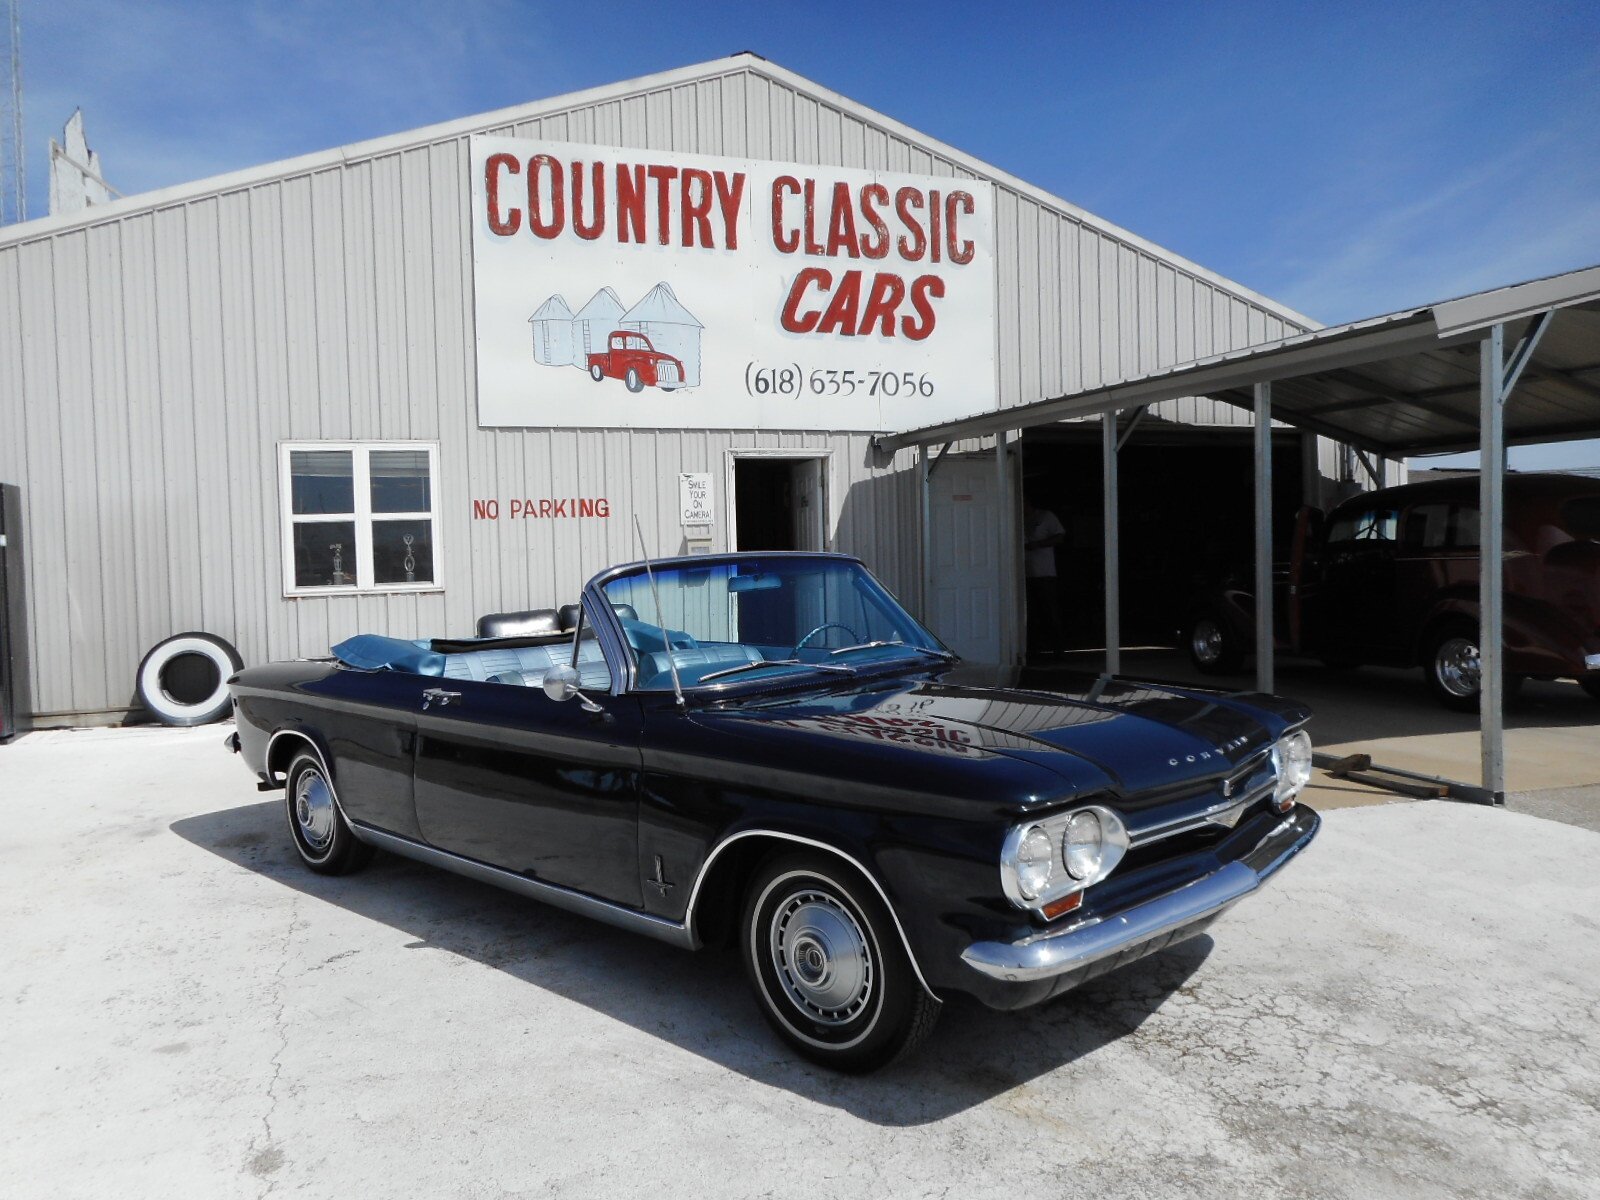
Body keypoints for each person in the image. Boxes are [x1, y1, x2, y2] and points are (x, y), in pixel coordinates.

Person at [1023, 492, 1066, 658]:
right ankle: (1032, 648)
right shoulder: (1015, 518)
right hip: (1024, 574)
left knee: (1049, 610)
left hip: (1044, 573)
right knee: (1029, 613)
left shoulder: (1046, 516)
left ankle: (1058, 648)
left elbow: (1060, 536)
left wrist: (1039, 544)